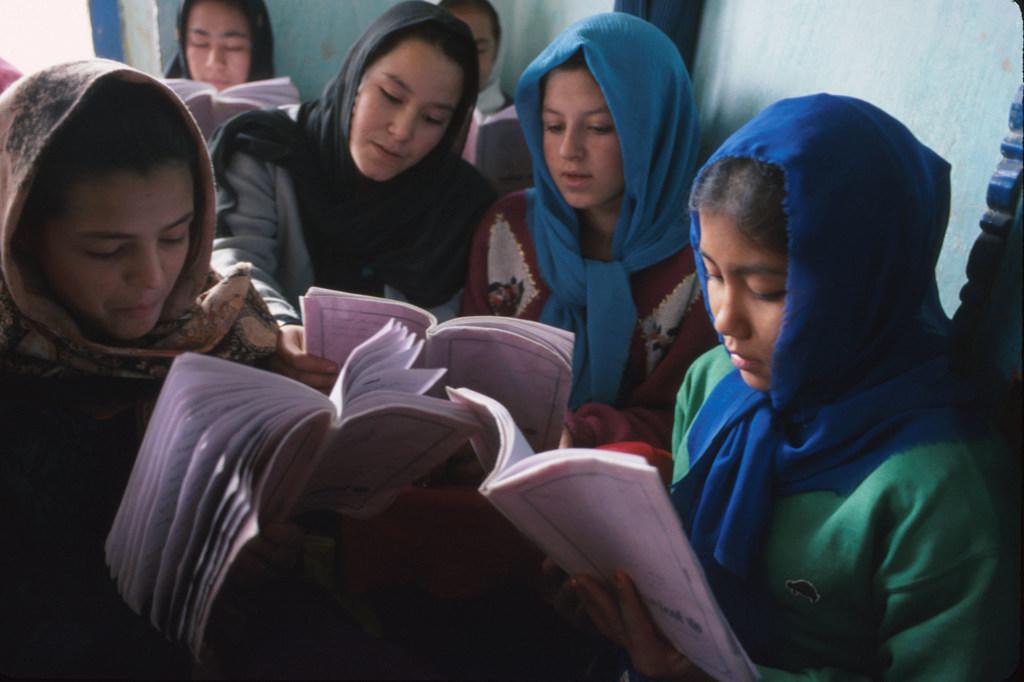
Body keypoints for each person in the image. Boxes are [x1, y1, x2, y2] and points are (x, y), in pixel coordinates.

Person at [569, 94, 1020, 680]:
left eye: (768, 290)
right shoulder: (714, 384)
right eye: (710, 273)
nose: (724, 317)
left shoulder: (938, 495)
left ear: (859, 280)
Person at [0, 59, 280, 677]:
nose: (154, 279)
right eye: (107, 249)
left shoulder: (226, 331)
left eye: (177, 236)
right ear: (22, 238)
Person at [462, 12, 717, 451]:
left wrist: (585, 435)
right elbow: (465, 364)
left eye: (599, 127)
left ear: (654, 131)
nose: (568, 151)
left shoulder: (703, 262)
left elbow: (690, 422)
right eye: (552, 125)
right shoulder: (508, 227)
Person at [210, 0, 496, 391]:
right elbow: (235, 263)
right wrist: (277, 327)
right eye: (391, 96)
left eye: (433, 119)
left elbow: (444, 324)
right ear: (356, 77)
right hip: (269, 392)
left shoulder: (458, 203)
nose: (402, 130)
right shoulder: (266, 148)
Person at [164, 0, 274, 91]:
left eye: (233, 46)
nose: (215, 63)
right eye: (200, 43)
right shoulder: (159, 110)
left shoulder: (284, 115)